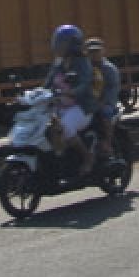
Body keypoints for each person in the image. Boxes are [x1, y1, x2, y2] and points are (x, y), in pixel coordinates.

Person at [43, 24, 96, 175]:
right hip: (61, 105)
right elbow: (48, 82)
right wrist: (35, 94)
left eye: (62, 42)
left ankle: (88, 157)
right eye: (58, 41)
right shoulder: (58, 62)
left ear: (73, 44)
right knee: (44, 125)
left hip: (81, 107)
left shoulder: (82, 62)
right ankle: (58, 157)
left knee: (65, 126)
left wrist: (72, 92)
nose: (58, 45)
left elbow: (85, 83)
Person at [84, 37, 121, 161]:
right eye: (91, 52)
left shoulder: (109, 69)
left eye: (96, 51)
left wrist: (102, 102)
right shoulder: (84, 68)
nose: (94, 54)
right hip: (88, 102)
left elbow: (112, 89)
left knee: (105, 114)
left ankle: (107, 144)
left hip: (105, 102)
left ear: (103, 51)